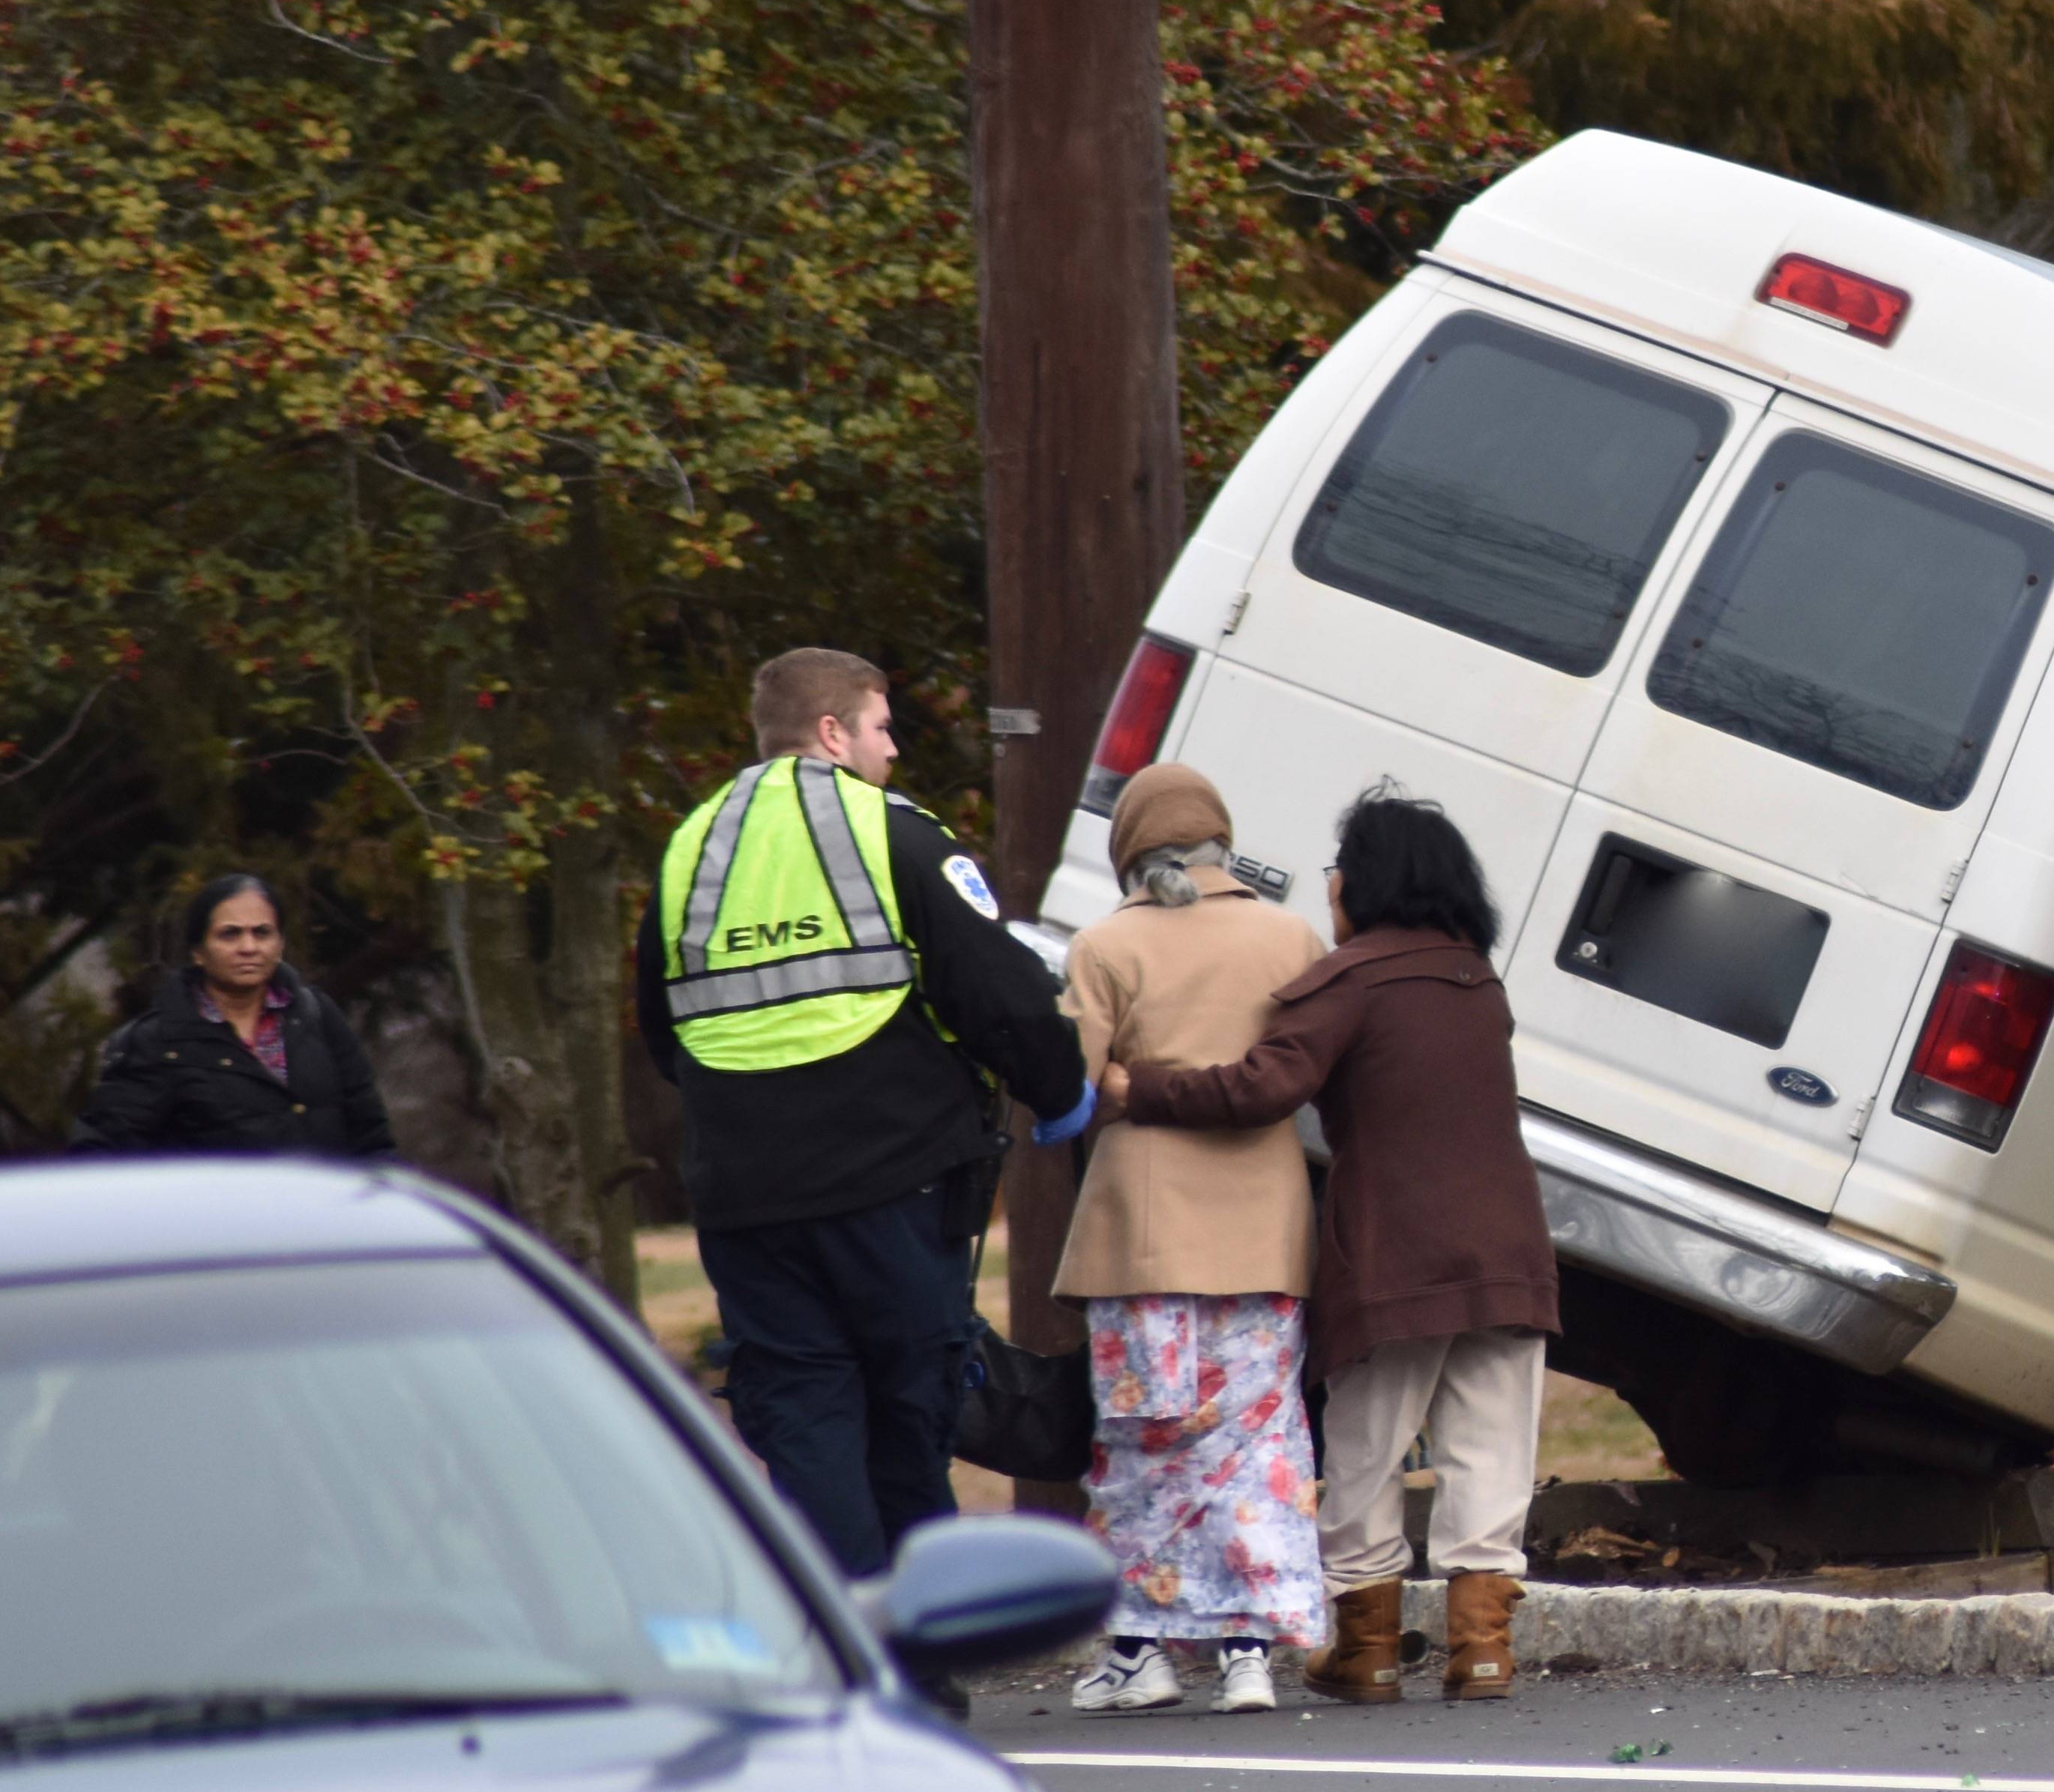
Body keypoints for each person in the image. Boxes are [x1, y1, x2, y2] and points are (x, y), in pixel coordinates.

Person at [640, 647, 1089, 1584]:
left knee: (803, 1419)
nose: (893, 751)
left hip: (744, 1199)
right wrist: (1060, 1091)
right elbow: (997, 992)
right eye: (884, 728)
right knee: (909, 1408)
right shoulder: (896, 832)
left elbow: (662, 1027)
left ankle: (849, 1647)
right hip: (892, 1186)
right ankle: (922, 1654)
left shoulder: (692, 848)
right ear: (835, 732)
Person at [1109, 789, 1559, 1707]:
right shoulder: (1479, 979)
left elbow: (1261, 1085)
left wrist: (1137, 1086)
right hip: (1509, 1250)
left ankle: (1370, 1648)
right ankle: (1482, 1650)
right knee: (1491, 1445)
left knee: (1365, 1446)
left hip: (1397, 1256)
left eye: (1338, 868)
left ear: (1364, 880)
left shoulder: (1351, 979)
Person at [1054, 764, 1331, 1718]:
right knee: (1257, 1444)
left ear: (1129, 851)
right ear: (1223, 842)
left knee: (1142, 1443)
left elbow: (1071, 1088)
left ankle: (1140, 1653)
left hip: (1143, 1235)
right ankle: (1249, 1653)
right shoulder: (1290, 935)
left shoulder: (1103, 945)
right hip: (1264, 1230)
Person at [70, 872, 400, 1160]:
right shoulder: (158, 1042)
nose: (249, 947)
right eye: (230, 934)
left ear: (280, 943)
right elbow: (103, 1155)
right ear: (198, 952)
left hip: (325, 1226)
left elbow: (371, 1137)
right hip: (221, 1229)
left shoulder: (314, 1015)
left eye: (262, 933)